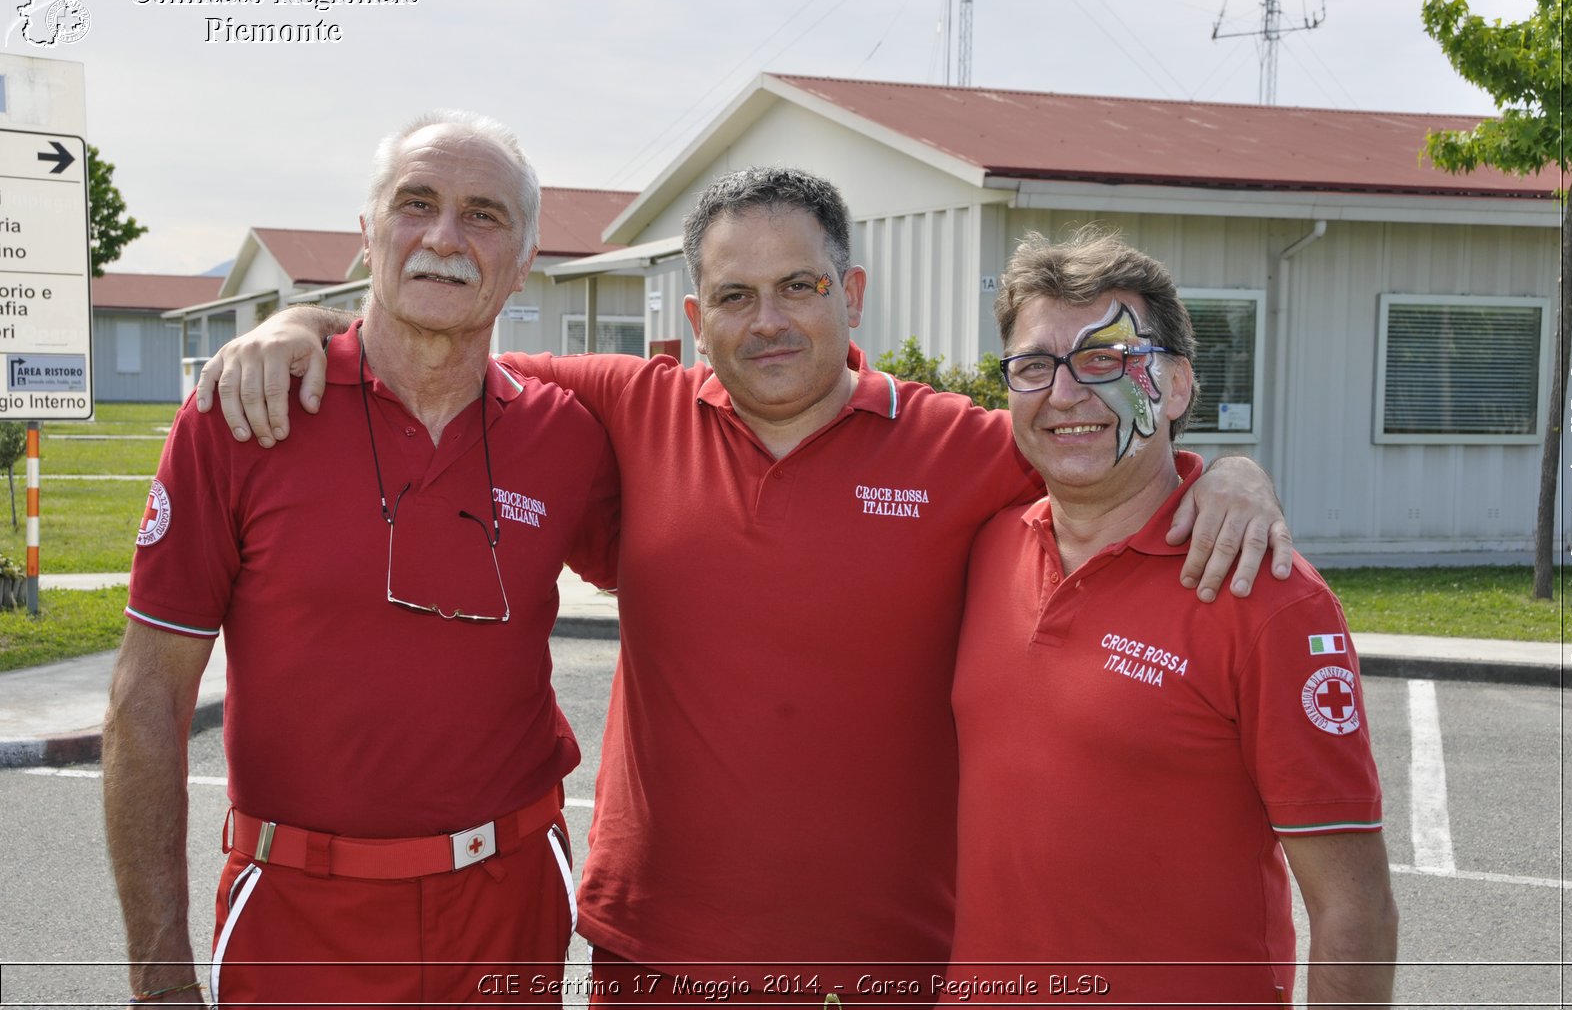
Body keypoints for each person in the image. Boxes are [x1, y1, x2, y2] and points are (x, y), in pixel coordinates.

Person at [196, 168, 1294, 1005]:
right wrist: (300, 327)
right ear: (693, 318)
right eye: (734, 294)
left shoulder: (965, 447)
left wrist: (1227, 474)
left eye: (798, 287)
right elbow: (431, 341)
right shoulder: (624, 406)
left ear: (850, 292)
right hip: (655, 951)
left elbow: (1098, 449)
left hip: (887, 961)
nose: (768, 319)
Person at [103, 110, 618, 1007]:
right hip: (298, 912)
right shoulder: (243, 414)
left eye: (484, 215)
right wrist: (158, 977)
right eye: (415, 204)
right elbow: (146, 699)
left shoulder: (567, 433)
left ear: (526, 260)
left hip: (509, 905)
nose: (444, 238)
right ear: (369, 233)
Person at [946, 229, 1397, 1008]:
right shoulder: (984, 548)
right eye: (1033, 366)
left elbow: (1353, 907)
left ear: (1179, 386)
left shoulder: (1268, 596)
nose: (1063, 394)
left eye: (1105, 360)